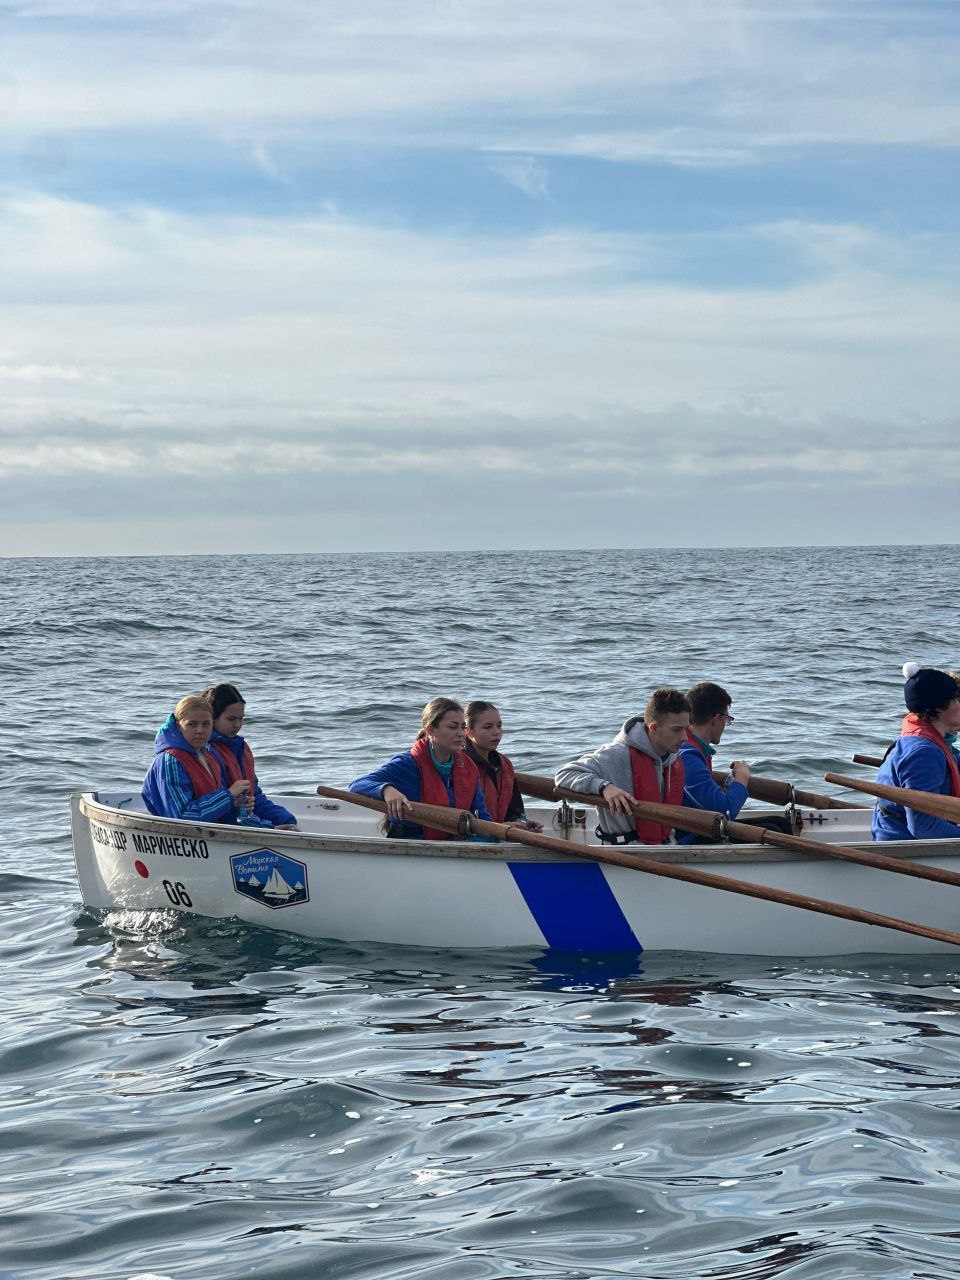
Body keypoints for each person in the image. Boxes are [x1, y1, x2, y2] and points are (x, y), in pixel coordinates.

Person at [554, 688, 691, 845]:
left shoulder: (673, 759)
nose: (684, 738)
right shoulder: (615, 754)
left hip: (666, 846)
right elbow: (564, 774)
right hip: (624, 852)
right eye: (677, 730)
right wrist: (604, 787)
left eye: (686, 729)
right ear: (653, 728)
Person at [349, 697, 494, 839]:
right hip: (410, 844)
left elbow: (481, 815)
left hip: (454, 843)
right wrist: (386, 790)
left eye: (463, 727)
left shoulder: (468, 767)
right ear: (431, 730)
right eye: (452, 727)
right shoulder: (407, 764)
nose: (461, 733)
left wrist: (496, 832)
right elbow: (357, 785)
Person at [872, 666, 960, 841]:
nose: (959, 705)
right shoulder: (923, 753)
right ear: (940, 707)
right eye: (955, 700)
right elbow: (924, 827)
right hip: (903, 847)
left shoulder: (928, 743)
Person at [142, 694, 253, 823]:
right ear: (179, 726)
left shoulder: (210, 756)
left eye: (206, 724)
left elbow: (221, 814)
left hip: (209, 833)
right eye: (192, 724)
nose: (200, 730)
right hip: (178, 837)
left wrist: (237, 807)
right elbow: (183, 817)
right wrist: (228, 796)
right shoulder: (170, 761)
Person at [203, 683, 298, 830]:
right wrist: (270, 828)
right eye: (231, 719)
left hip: (245, 817)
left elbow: (255, 795)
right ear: (213, 717)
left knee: (287, 820)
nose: (237, 724)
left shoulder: (241, 748)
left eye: (241, 719)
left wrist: (285, 819)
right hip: (226, 823)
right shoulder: (207, 751)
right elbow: (223, 811)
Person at [679, 682, 749, 834]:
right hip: (689, 836)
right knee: (777, 826)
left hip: (698, 826)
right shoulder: (687, 755)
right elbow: (726, 811)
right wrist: (742, 778)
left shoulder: (695, 748)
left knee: (778, 823)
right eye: (727, 719)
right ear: (716, 718)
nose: (726, 725)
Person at [464, 701, 543, 831]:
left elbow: (514, 810)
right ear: (469, 731)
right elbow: (462, 818)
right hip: (473, 838)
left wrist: (522, 823)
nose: (497, 732)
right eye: (488, 727)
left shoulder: (504, 764)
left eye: (499, 726)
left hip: (498, 836)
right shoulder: (459, 764)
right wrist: (500, 828)